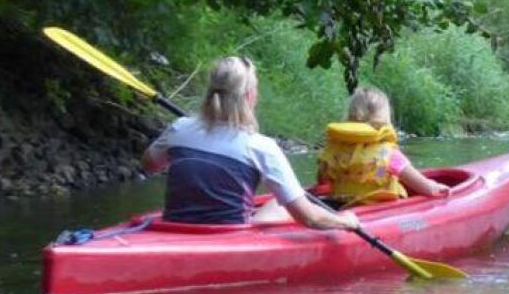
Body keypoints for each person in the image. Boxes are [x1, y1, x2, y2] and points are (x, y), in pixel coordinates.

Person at [140, 56, 359, 230]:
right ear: (249, 96)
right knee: (282, 203)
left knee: (275, 202)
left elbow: (149, 165)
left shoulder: (180, 128)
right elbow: (310, 219)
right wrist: (345, 221)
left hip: (174, 228)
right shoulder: (260, 147)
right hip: (227, 236)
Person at [316, 85, 450, 204]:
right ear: (385, 121)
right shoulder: (386, 154)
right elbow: (423, 186)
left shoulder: (335, 151)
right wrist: (433, 187)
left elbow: (322, 182)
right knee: (385, 177)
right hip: (376, 208)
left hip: (342, 206)